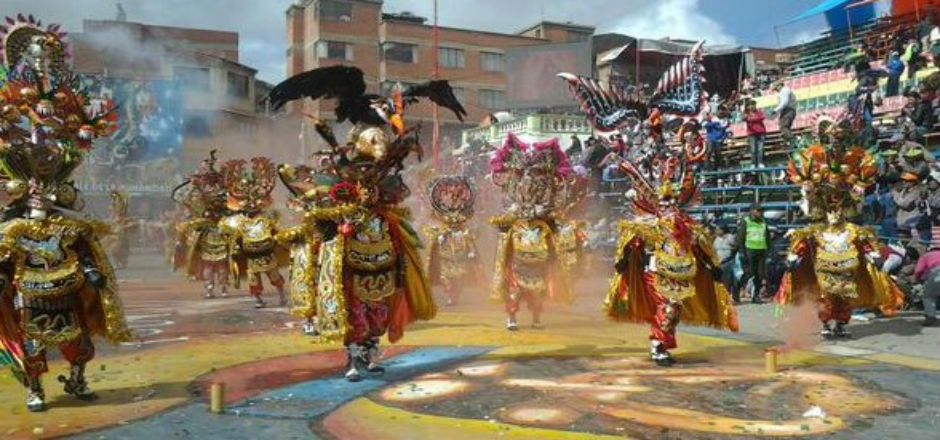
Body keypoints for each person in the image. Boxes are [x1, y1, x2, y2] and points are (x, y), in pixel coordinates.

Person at [732, 203, 772, 303]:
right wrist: (741, 252)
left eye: (761, 211)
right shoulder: (745, 221)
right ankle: (736, 290)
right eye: (758, 210)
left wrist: (769, 250)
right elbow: (740, 238)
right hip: (749, 251)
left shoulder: (763, 222)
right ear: (752, 211)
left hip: (761, 251)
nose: (760, 213)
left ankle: (756, 296)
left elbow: (767, 237)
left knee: (760, 275)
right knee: (748, 274)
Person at [914, 227, 940, 327]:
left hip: (937, 272)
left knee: (928, 296)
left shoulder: (926, 256)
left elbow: (919, 271)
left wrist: (917, 279)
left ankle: (931, 317)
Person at [714, 225, 739, 303]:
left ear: (723, 230)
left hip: (728, 261)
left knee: (729, 280)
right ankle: (723, 297)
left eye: (718, 229)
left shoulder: (730, 237)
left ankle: (733, 296)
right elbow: (714, 249)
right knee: (721, 280)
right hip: (719, 262)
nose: (716, 231)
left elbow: (735, 247)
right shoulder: (716, 239)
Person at [772, 81, 797, 145]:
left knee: (783, 127)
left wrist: (775, 110)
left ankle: (793, 141)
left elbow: (784, 102)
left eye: (776, 88)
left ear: (780, 85)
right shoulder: (786, 90)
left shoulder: (784, 91)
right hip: (790, 110)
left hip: (788, 110)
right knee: (786, 127)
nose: (776, 90)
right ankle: (789, 142)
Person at [744, 100, 767, 167]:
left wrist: (751, 118)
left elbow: (762, 117)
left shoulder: (759, 112)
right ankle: (753, 163)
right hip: (751, 134)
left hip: (761, 132)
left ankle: (760, 163)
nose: (751, 107)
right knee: (753, 149)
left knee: (760, 149)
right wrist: (747, 117)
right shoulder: (746, 114)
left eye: (753, 105)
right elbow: (743, 118)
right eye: (750, 105)